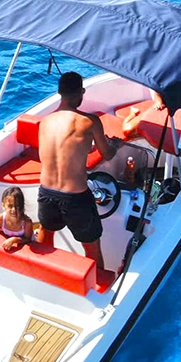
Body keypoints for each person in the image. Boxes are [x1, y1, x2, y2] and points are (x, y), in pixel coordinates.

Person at [36, 71, 122, 274]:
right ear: (81, 92)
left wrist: (85, 149)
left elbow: (52, 154)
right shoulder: (90, 121)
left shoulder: (45, 121)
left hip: (46, 193)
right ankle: (98, 285)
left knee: (46, 238)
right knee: (92, 248)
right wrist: (115, 145)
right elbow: (107, 155)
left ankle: (40, 274)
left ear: (59, 92)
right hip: (76, 199)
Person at [0, 186, 33, 253]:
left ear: (22, 206)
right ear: (3, 206)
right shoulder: (1, 219)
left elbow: (27, 239)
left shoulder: (26, 223)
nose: (14, 210)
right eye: (10, 206)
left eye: (17, 206)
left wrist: (14, 240)